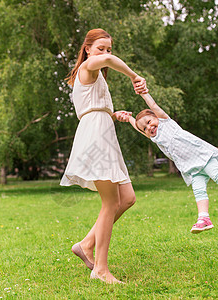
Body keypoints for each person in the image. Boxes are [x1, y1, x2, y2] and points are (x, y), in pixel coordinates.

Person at [60, 28, 148, 284]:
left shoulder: (94, 75)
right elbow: (108, 62)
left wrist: (112, 113)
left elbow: (93, 106)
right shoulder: (88, 66)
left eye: (109, 49)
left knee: (127, 198)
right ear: (87, 49)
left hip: (103, 129)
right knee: (110, 203)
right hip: (95, 134)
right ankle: (100, 269)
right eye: (101, 48)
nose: (106, 54)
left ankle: (86, 245)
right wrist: (134, 76)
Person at [115, 93, 218, 234]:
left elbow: (153, 105)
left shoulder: (166, 122)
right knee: (198, 190)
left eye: (149, 122)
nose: (149, 128)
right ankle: (204, 218)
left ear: (155, 116)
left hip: (201, 156)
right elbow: (138, 127)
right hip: (191, 167)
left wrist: (143, 93)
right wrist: (129, 119)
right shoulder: (155, 138)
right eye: (145, 129)